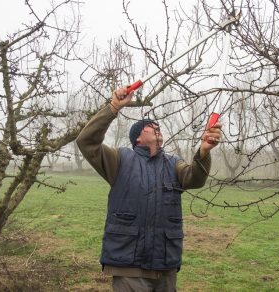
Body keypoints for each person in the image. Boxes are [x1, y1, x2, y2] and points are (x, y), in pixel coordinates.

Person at [76, 87, 222, 292]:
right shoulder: (119, 160)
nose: (157, 128)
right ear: (137, 137)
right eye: (151, 126)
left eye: (158, 126)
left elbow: (195, 179)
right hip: (129, 266)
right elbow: (86, 142)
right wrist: (113, 107)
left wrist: (204, 151)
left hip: (165, 266)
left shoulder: (173, 163)